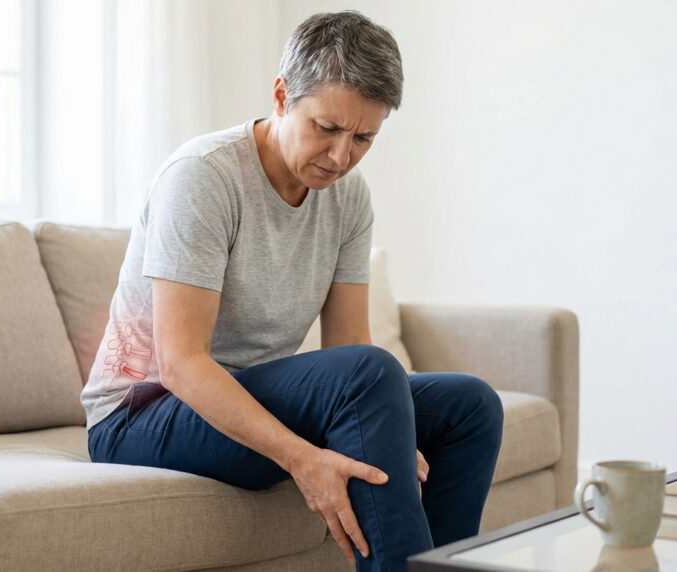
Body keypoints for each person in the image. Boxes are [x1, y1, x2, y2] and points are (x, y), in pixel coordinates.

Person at [82, 11, 503, 571]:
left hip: (246, 395)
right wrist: (305, 460)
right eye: (326, 128)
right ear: (282, 96)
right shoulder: (203, 177)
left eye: (363, 138)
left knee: (468, 405)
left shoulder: (349, 199)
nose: (340, 156)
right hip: (143, 414)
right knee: (370, 375)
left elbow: (350, 343)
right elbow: (181, 364)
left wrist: (396, 425)